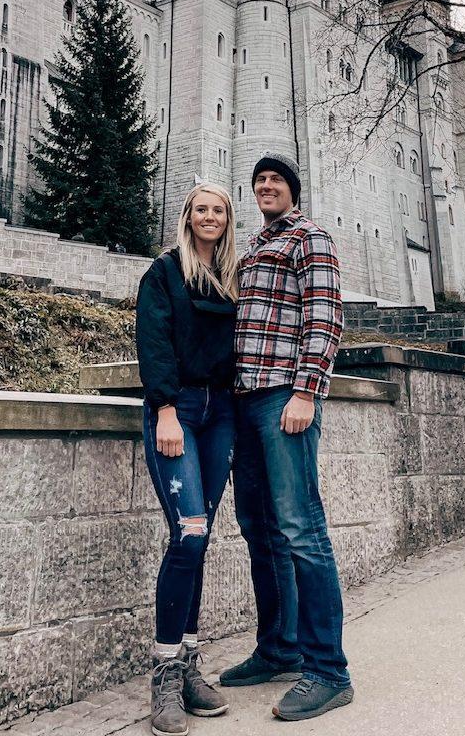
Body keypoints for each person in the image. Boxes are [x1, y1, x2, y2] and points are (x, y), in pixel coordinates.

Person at [219, 152, 353, 722]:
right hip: (244, 399)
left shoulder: (309, 239)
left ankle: (328, 670)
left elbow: (325, 316)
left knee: (301, 528)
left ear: (292, 191)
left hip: (282, 397)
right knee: (260, 528)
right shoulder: (251, 248)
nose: (266, 186)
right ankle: (279, 648)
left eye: (276, 180)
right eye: (260, 181)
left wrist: (305, 391)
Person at [136, 184, 240, 736]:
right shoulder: (164, 272)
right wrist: (167, 410)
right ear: (187, 216)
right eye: (201, 209)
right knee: (190, 533)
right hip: (176, 412)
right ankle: (166, 672)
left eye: (218, 210)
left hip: (221, 414)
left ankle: (190, 661)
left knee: (202, 535)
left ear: (227, 220)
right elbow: (153, 343)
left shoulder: (230, 278)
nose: (209, 217)